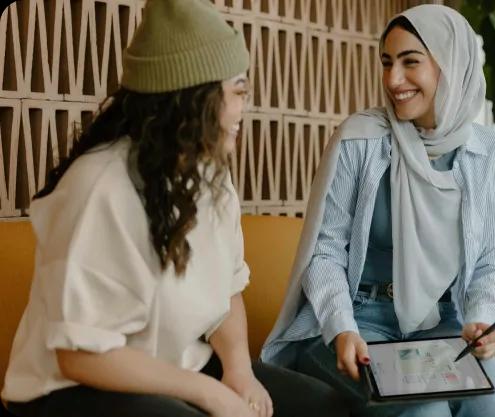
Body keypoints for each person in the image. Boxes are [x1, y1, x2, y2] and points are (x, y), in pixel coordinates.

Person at [0, 1, 348, 417]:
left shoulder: (211, 174)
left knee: (323, 407)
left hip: (179, 368)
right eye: (237, 91)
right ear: (192, 98)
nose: (243, 108)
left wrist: (238, 372)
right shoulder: (101, 185)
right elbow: (80, 356)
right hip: (71, 389)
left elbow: (229, 291)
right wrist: (208, 393)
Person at [260, 4, 495, 417]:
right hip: (358, 321)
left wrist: (483, 319)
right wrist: (340, 327)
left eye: (410, 62)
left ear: (450, 65)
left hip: (445, 324)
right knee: (425, 410)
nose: (393, 80)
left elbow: (493, 263)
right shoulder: (360, 139)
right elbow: (324, 252)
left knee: (487, 409)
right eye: (386, 63)